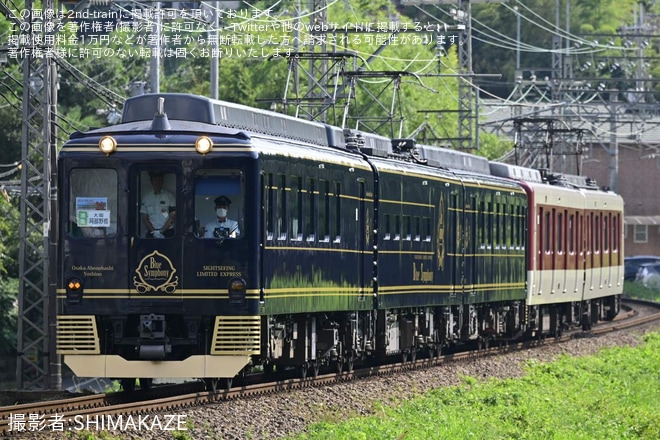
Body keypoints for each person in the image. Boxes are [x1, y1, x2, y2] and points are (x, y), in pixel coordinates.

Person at [140, 171, 176, 238]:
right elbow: (145, 218)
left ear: (162, 181)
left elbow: (172, 216)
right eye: (155, 180)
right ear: (151, 182)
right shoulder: (146, 198)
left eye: (159, 180)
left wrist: (161, 231)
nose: (157, 182)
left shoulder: (169, 196)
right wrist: (154, 232)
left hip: (168, 233)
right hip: (152, 232)